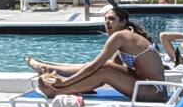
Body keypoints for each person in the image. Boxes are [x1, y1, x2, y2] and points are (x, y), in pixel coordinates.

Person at [28, 8, 168, 100]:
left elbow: (95, 68)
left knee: (102, 70)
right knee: (105, 67)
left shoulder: (120, 36)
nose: (107, 22)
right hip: (145, 86)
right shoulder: (127, 38)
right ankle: (49, 68)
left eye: (112, 19)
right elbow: (112, 68)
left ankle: (57, 91)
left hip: (155, 91)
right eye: (106, 18)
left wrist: (65, 82)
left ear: (123, 23)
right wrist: (86, 86)